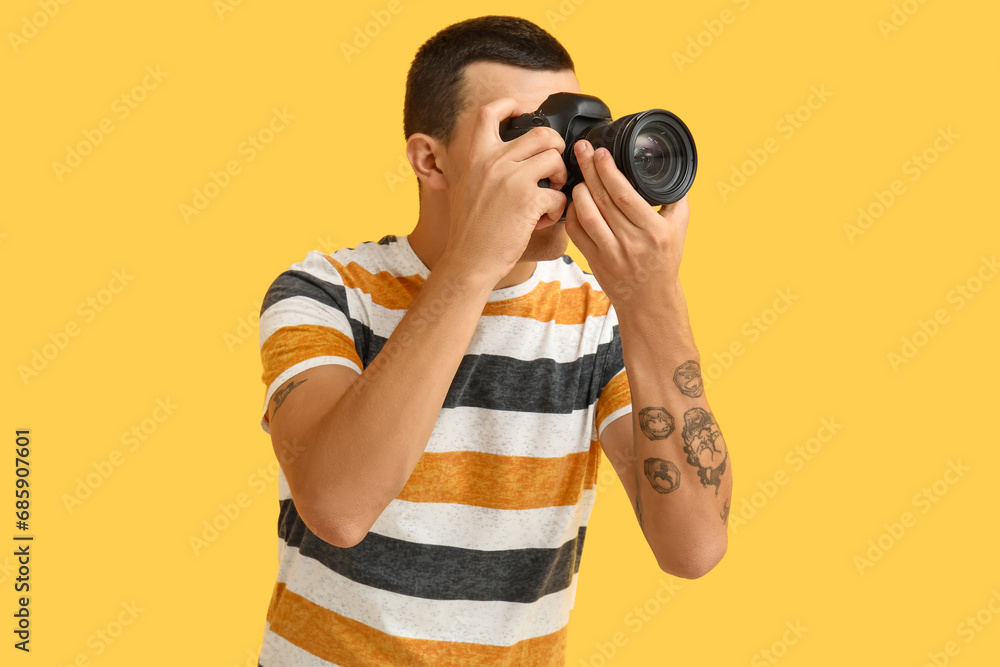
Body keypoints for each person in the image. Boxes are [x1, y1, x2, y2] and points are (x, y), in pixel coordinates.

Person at [255, 15, 733, 666]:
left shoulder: (599, 317)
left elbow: (694, 548)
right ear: (431, 159)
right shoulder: (326, 291)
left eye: (575, 137)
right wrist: (473, 263)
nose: (557, 165)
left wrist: (654, 301)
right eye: (523, 137)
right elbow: (337, 508)